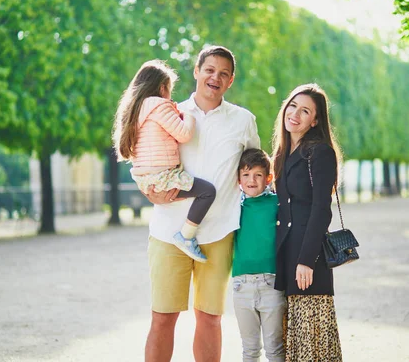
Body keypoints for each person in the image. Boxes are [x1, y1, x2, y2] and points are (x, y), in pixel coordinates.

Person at [143, 46, 261, 362]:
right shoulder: (169, 113)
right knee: (163, 318)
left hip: (218, 235)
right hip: (169, 232)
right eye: (209, 70)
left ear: (231, 80)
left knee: (209, 318)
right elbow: (147, 156)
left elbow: (255, 170)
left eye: (223, 73)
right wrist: (149, 189)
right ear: (196, 71)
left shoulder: (244, 121)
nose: (215, 77)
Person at [113, 59, 216, 262]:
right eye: (170, 89)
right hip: (164, 176)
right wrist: (188, 116)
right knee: (207, 191)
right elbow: (184, 134)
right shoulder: (160, 106)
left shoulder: (134, 110)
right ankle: (186, 236)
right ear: (162, 88)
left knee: (182, 195)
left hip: (147, 179)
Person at [271, 83, 343, 362]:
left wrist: (306, 259)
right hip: (287, 253)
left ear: (315, 121)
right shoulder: (282, 153)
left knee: (312, 337)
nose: (295, 114)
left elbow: (321, 209)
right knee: (294, 340)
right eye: (293, 106)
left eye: (305, 111)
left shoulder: (320, 152)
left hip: (307, 257)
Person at [232, 148, 286, 362]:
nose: (251, 180)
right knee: (250, 349)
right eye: (246, 175)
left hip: (271, 284)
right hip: (240, 285)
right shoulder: (234, 206)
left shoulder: (277, 204)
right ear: (238, 179)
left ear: (268, 178)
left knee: (274, 348)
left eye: (257, 175)